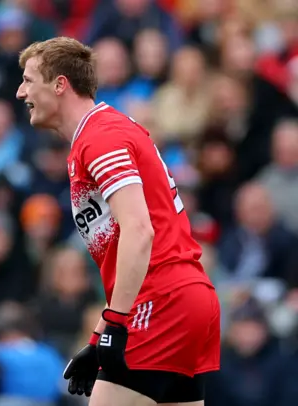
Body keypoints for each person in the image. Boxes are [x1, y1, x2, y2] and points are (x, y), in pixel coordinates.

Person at [16, 37, 220, 406]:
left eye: (29, 80)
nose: (20, 92)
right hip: (184, 297)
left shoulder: (100, 137)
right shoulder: (99, 134)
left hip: (160, 301)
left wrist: (115, 321)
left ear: (60, 84)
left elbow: (140, 231)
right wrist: (98, 338)